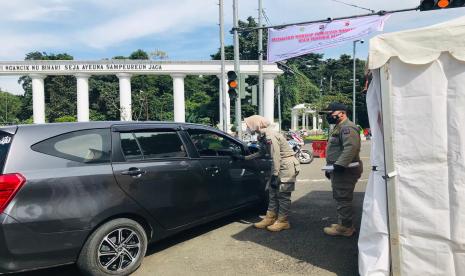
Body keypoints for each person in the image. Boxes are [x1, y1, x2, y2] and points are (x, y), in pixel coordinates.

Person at [244, 115, 300, 232]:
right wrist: (244, 158)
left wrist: (274, 175)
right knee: (272, 193)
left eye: (249, 125)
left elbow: (276, 157)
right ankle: (270, 218)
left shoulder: (270, 136)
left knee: (283, 195)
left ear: (256, 124)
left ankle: (283, 221)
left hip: (285, 165)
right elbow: (262, 153)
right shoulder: (263, 136)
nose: (247, 127)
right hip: (280, 165)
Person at [320, 102, 362, 237]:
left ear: (342, 113)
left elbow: (351, 148)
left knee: (343, 197)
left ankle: (345, 227)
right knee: (340, 196)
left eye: (330, 113)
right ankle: (343, 222)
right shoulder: (339, 126)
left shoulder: (347, 128)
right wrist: (331, 168)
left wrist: (339, 165)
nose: (328, 116)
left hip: (345, 170)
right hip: (339, 168)